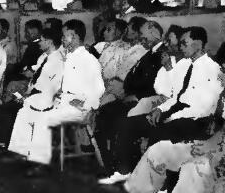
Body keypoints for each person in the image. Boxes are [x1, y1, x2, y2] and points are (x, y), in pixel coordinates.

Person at [105, 27, 224, 184]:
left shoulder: (212, 69)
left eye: (184, 43)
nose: (181, 47)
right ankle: (127, 170)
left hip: (195, 120)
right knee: (128, 124)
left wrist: (171, 117)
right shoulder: (186, 65)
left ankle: (157, 184)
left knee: (159, 133)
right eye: (180, 43)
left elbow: (203, 108)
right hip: (178, 111)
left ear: (198, 43)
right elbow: (175, 96)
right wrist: (160, 110)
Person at [8, 20, 104, 165]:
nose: (62, 39)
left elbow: (99, 89)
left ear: (75, 36)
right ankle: (20, 154)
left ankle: (38, 162)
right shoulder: (68, 57)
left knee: (43, 119)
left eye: (65, 36)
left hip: (79, 108)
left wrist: (86, 103)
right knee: (25, 112)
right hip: (62, 101)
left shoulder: (89, 59)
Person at [95, 20, 167, 182]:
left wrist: (135, 96)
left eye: (144, 36)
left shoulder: (162, 54)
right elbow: (134, 77)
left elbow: (155, 83)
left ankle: (124, 167)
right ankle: (110, 165)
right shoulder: (149, 52)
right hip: (131, 96)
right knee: (103, 114)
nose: (141, 39)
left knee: (120, 119)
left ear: (154, 32)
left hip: (147, 100)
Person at [0, 27, 64, 146]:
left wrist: (27, 96)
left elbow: (45, 87)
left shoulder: (56, 61)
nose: (39, 43)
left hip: (44, 100)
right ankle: (4, 142)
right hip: (36, 94)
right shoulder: (46, 57)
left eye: (42, 40)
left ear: (49, 42)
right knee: (7, 105)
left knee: (6, 110)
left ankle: (6, 143)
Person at [96, 19, 131, 107]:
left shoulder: (125, 49)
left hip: (114, 91)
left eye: (109, 30)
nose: (104, 33)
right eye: (105, 29)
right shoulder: (104, 47)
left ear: (121, 32)